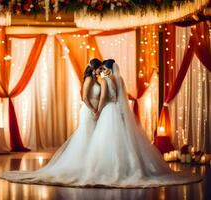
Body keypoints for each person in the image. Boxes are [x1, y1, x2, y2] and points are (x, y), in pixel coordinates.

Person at [81, 59, 201, 187]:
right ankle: (127, 167)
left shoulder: (105, 80)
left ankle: (107, 168)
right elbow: (121, 97)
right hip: (118, 110)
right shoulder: (119, 79)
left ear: (107, 68)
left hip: (108, 111)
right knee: (122, 140)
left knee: (107, 141)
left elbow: (104, 97)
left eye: (103, 68)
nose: (101, 71)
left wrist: (98, 111)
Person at [0, 58, 103, 186]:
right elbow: (85, 97)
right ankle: (83, 165)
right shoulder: (88, 80)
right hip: (89, 111)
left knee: (94, 138)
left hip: (96, 111)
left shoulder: (96, 80)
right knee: (87, 137)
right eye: (99, 68)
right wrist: (94, 110)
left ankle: (93, 165)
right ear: (94, 68)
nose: (100, 70)